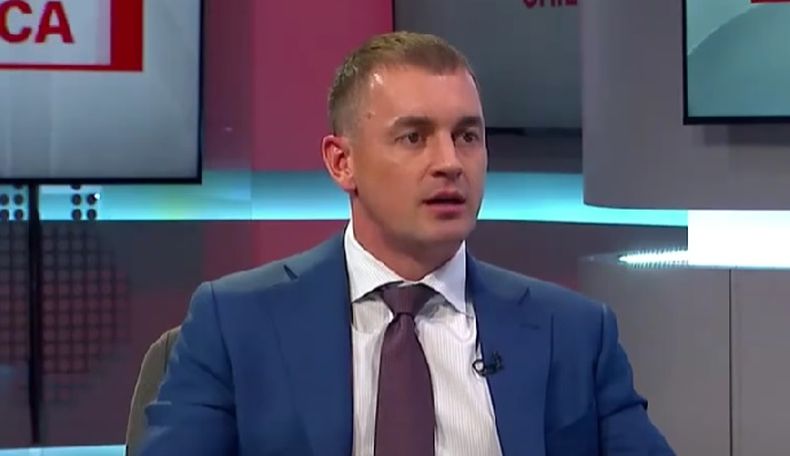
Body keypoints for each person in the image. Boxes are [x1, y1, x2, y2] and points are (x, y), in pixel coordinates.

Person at [139, 31, 674, 456]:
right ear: (341, 162)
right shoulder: (236, 325)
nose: (449, 163)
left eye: (467, 136)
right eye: (413, 137)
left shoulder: (575, 334)